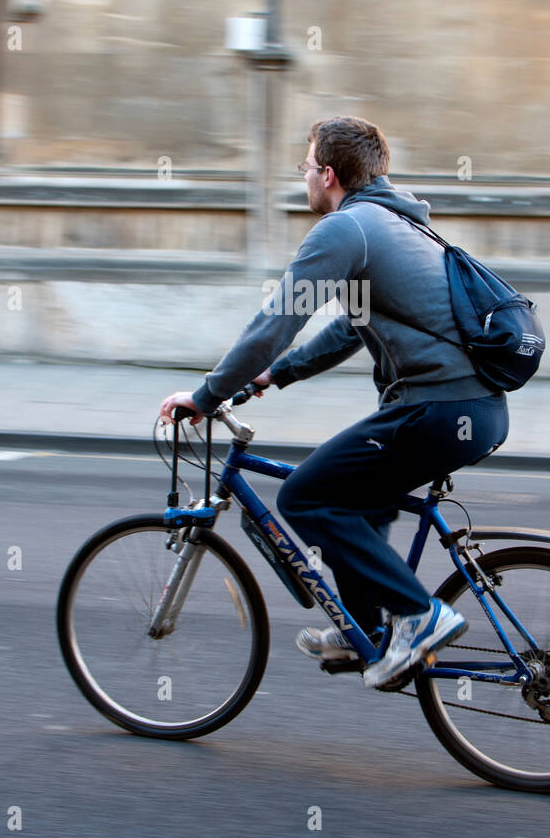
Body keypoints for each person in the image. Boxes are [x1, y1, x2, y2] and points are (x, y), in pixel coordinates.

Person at [160, 116, 509, 688]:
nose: (303, 177)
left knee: (304, 497)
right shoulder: (397, 222)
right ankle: (362, 632)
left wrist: (207, 395)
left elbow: (277, 320)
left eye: (304, 167)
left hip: (436, 409)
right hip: (473, 409)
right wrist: (273, 376)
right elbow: (350, 331)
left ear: (327, 173)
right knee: (355, 499)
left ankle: (420, 616)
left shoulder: (346, 230)